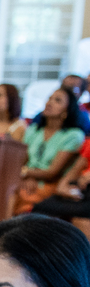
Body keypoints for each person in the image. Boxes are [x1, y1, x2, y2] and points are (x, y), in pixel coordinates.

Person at [14, 86, 85, 214]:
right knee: (7, 191)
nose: (49, 102)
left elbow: (53, 172)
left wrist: (25, 172)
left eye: (57, 100)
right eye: (49, 98)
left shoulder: (73, 135)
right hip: (25, 180)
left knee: (19, 196)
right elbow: (21, 161)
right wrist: (26, 176)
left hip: (51, 184)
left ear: (66, 111)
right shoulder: (33, 130)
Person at [32, 136, 90, 238]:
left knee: (81, 219)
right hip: (81, 189)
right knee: (41, 208)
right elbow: (76, 168)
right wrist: (62, 186)